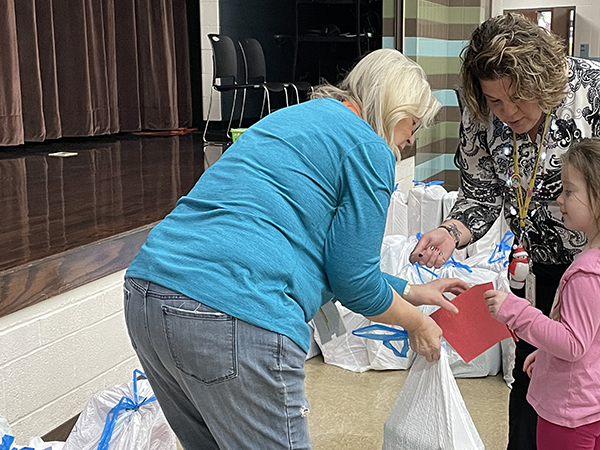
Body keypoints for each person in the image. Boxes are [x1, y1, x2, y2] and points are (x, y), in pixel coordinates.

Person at [123, 48, 469, 450]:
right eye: (414, 123)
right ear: (395, 107)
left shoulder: (293, 119)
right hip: (235, 310)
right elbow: (353, 281)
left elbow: (334, 258)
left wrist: (410, 291)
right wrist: (417, 322)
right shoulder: (368, 147)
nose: (410, 139)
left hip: (148, 292)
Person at [411, 13, 600, 450]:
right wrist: (452, 231)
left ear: (544, 81)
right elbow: (480, 191)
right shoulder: (481, 110)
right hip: (540, 274)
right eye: (496, 102)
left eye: (518, 99)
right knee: (535, 384)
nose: (509, 113)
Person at [485, 138, 600, 450]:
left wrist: (516, 310)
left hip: (573, 411)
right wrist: (547, 358)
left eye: (569, 191)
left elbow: (573, 343)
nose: (559, 199)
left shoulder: (589, 271)